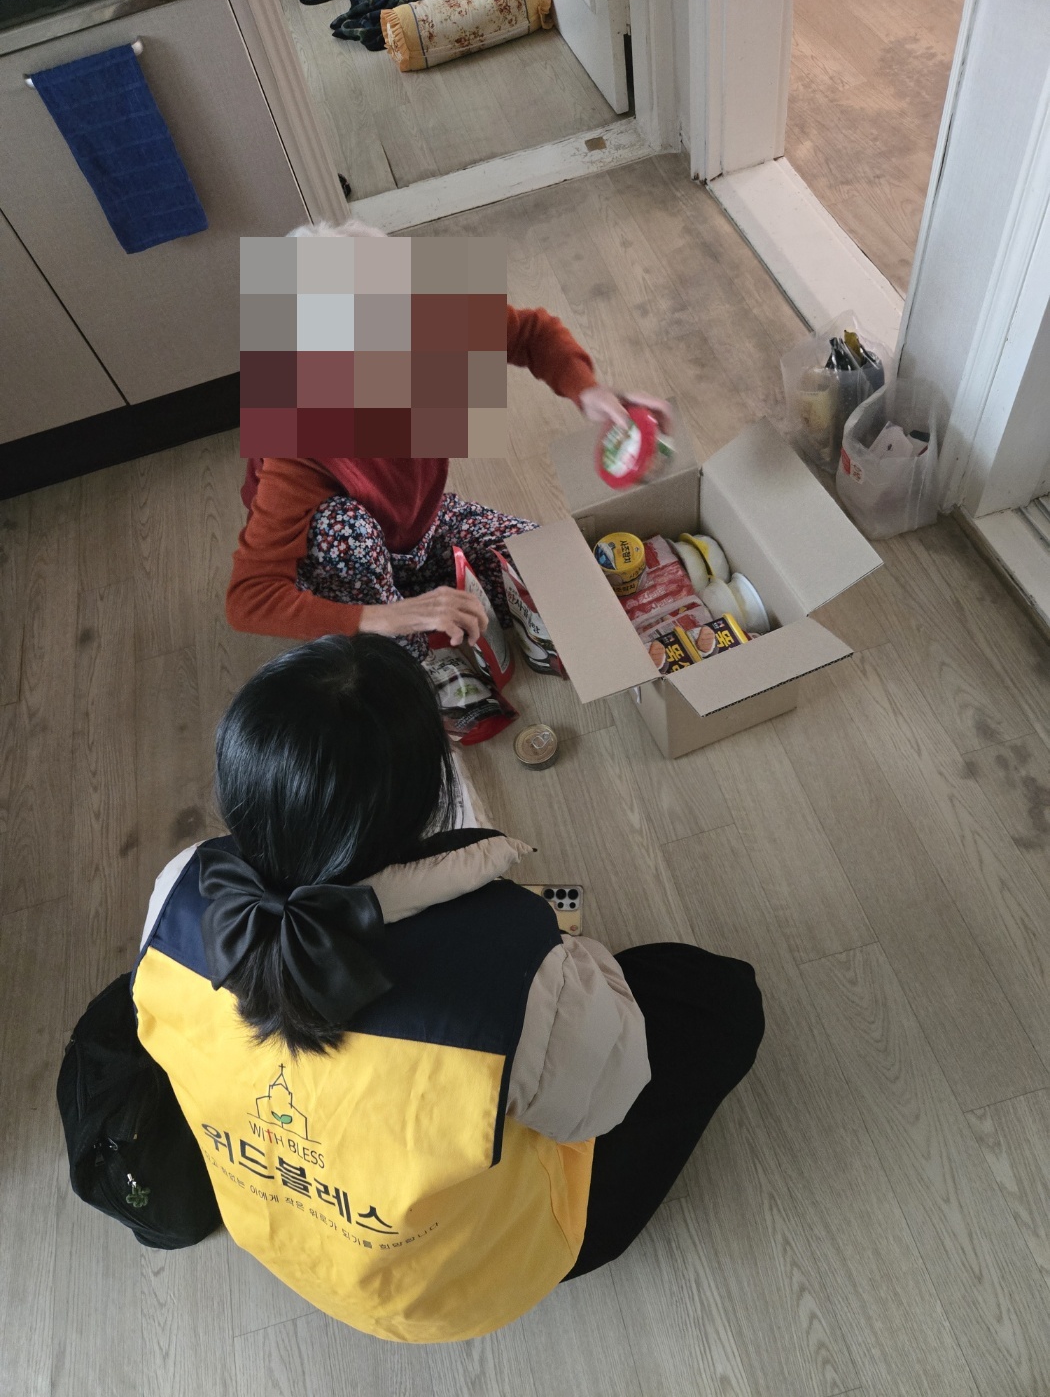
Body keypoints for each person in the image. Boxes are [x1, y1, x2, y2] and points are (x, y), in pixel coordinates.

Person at [132, 634, 764, 1343]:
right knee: (720, 999)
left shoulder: (175, 894)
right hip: (465, 1286)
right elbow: (603, 1105)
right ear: (431, 795)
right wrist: (560, 964)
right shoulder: (512, 977)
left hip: (291, 1242)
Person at [227, 216, 672, 660]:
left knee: (553, 565)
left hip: (420, 522)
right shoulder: (296, 441)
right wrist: (384, 617)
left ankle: (418, 587)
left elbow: (532, 333)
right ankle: (403, 648)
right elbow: (249, 598)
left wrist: (587, 390)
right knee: (345, 531)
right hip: (340, 552)